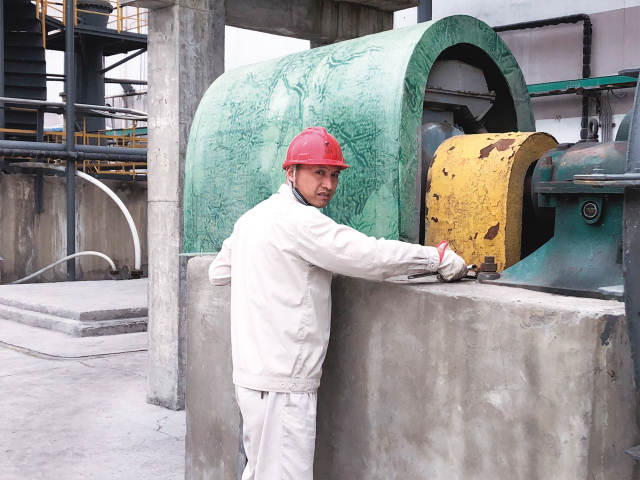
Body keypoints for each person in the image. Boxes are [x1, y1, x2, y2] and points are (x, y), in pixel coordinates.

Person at [209, 126, 467, 479]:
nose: (328, 184)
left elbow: (218, 272)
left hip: (251, 378)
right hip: (285, 383)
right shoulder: (302, 223)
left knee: (259, 470)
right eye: (318, 173)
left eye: (334, 175)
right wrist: (434, 258)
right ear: (291, 173)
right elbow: (370, 256)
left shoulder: (253, 219)